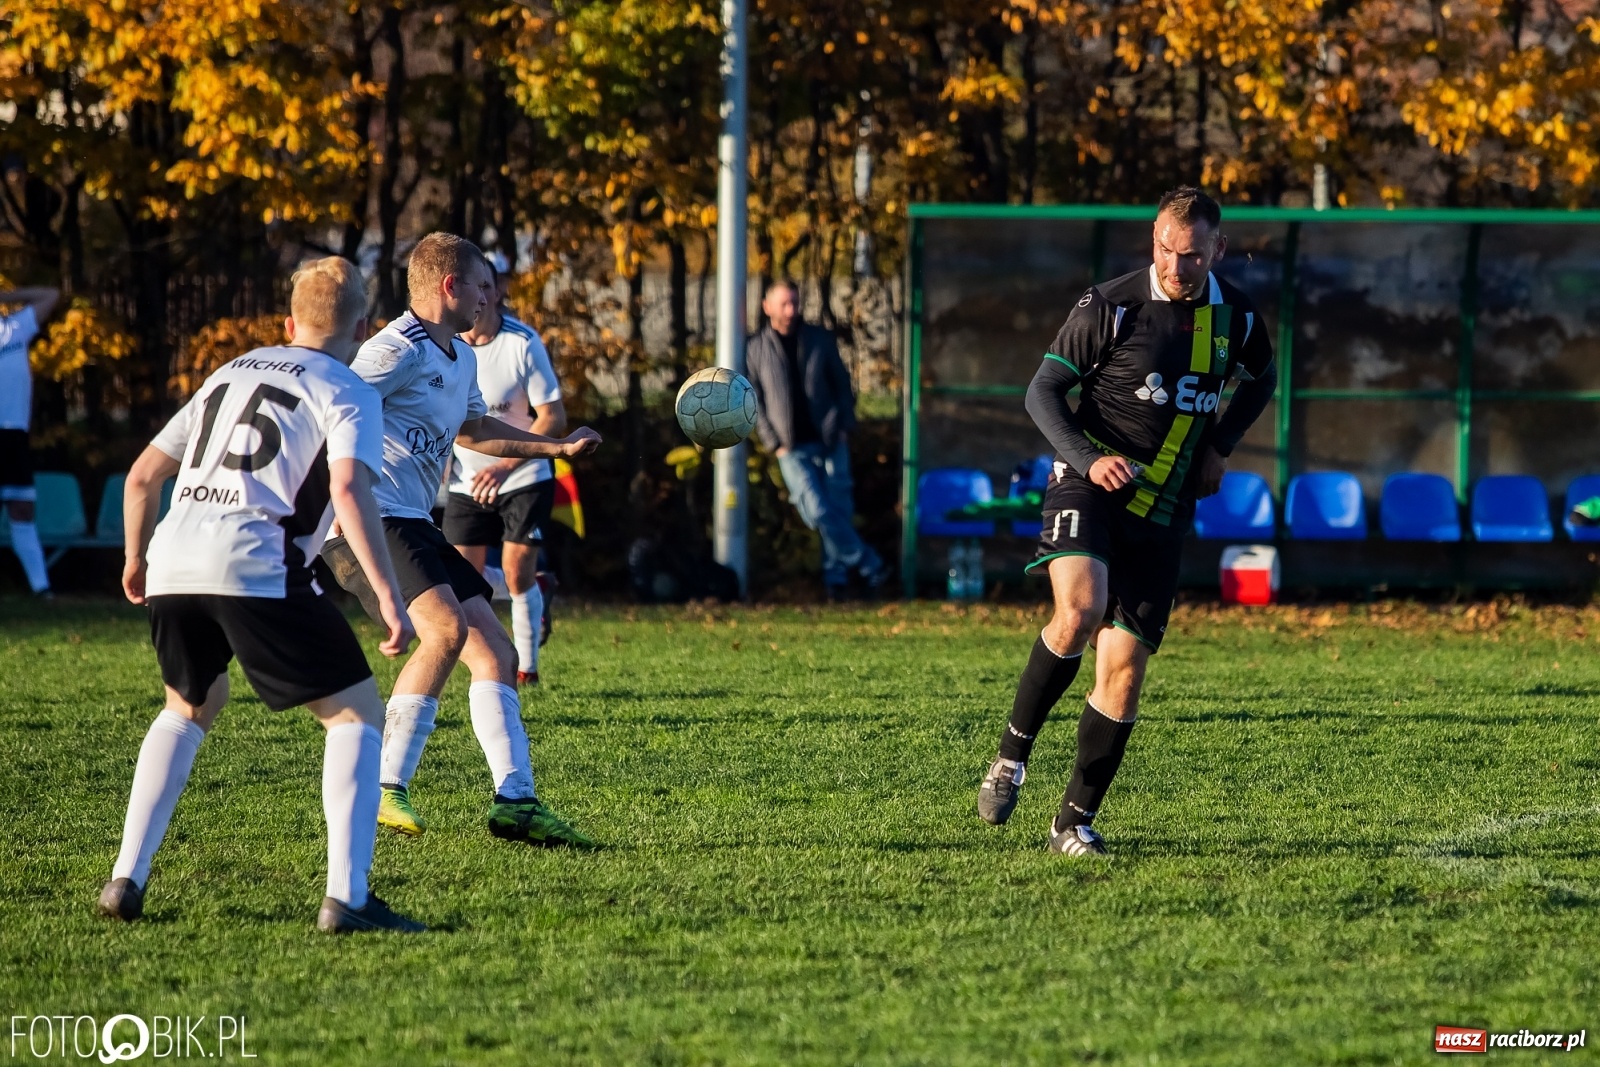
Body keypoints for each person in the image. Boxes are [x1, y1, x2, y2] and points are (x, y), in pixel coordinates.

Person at [101, 256, 426, 933]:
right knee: (356, 715)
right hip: (256, 562)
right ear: (364, 329)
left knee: (190, 706)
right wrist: (390, 598)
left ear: (288, 323)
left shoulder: (230, 370)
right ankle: (348, 896)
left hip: (173, 560)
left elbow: (140, 478)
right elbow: (348, 490)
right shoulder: (347, 388)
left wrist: (135, 558)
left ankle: (126, 876)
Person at [976, 187, 1279, 856]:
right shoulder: (1111, 306)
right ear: (1154, 241)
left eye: (1193, 256)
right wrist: (1089, 458)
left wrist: (1220, 444)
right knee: (1080, 610)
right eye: (1167, 252)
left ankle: (1072, 823)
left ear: (1218, 252)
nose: (1177, 267)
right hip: (1088, 488)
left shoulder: (1238, 320)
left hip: (1165, 508)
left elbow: (1261, 378)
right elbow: (1042, 392)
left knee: (1124, 672)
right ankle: (1011, 755)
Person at [319, 232, 601, 847]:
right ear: (450, 286)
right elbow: (330, 406)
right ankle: (384, 789)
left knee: (493, 650)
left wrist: (554, 447)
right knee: (448, 632)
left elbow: (475, 428)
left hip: (414, 521)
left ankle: (516, 801)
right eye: (479, 285)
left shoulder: (460, 355)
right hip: (372, 519)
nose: (487, 296)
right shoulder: (395, 349)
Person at [444, 254, 564, 687]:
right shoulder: (447, 348)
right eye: (472, 286)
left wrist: (506, 466)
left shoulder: (522, 343)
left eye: (487, 286)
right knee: (463, 581)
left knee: (515, 572)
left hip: (524, 476)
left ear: (496, 292)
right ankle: (538, 589)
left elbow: (552, 417)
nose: (480, 296)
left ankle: (525, 669)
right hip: (467, 479)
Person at [746, 280, 886, 600]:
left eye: (794, 303)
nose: (790, 310)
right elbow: (753, 401)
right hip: (790, 447)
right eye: (783, 304)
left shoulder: (819, 339)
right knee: (819, 512)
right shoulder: (755, 349)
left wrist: (843, 427)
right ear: (767, 307)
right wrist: (773, 443)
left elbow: (842, 386)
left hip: (829, 440)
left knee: (838, 510)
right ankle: (869, 563)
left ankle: (835, 581)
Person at [0, 284, 62, 597]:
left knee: (22, 510)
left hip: (14, 433)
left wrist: (6, 298)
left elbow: (51, 295)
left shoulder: (14, 327)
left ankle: (41, 589)